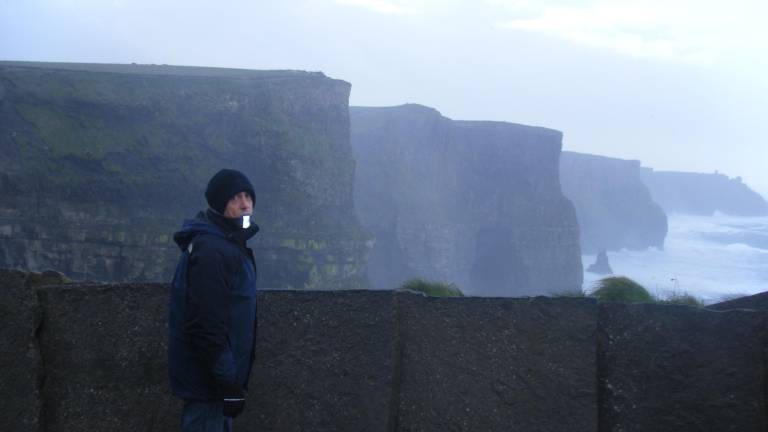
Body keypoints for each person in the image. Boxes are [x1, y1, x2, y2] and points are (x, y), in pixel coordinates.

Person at [168, 169, 260, 432]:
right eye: (234, 198)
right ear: (219, 204)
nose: (245, 204)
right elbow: (207, 326)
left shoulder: (229, 243)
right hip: (209, 386)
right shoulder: (212, 251)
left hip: (214, 386)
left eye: (247, 196)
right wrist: (228, 384)